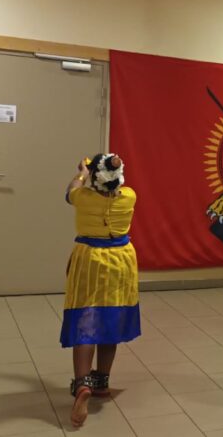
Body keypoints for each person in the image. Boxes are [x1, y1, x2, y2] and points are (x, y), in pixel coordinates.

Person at [61, 154, 140, 427]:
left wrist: (82, 173)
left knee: (86, 318)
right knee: (110, 318)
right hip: (120, 260)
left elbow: (70, 190)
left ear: (94, 176)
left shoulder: (82, 197)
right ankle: (102, 382)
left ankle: (82, 384)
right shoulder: (129, 196)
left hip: (90, 259)